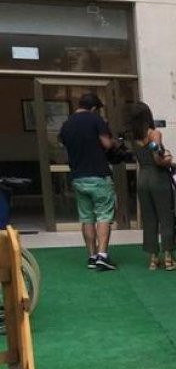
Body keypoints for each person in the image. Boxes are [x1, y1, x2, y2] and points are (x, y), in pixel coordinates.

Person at [58, 92, 117, 270]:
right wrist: (114, 143)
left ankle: (91, 256)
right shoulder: (95, 119)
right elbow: (106, 144)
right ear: (93, 108)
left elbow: (64, 145)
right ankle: (102, 255)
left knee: (87, 218)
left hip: (78, 177)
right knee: (104, 216)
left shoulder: (66, 124)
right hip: (98, 175)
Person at [129, 101, 176, 271]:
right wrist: (170, 160)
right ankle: (168, 259)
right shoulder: (154, 134)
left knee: (149, 218)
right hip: (158, 178)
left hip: (142, 178)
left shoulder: (134, 138)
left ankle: (152, 259)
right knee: (165, 217)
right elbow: (158, 158)